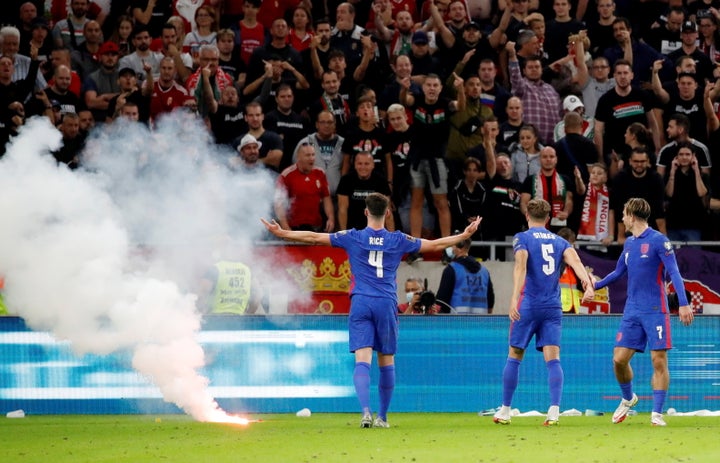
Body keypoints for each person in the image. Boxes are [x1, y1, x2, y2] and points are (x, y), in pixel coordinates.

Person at [261, 192, 481, 428]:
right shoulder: (398, 239)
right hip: (386, 303)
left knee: (362, 360)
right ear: (387, 213)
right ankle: (382, 417)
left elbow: (315, 237)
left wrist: (283, 232)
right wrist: (464, 235)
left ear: (366, 212)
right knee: (386, 360)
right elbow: (435, 244)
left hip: (361, 302)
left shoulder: (352, 237)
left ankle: (365, 412)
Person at [593, 198, 694, 427]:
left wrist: (684, 303)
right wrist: (594, 286)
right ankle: (628, 398)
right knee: (618, 360)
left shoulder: (660, 241)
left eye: (624, 214)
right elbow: (618, 272)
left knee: (658, 360)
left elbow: (674, 273)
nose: (622, 219)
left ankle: (657, 414)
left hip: (655, 309)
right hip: (632, 310)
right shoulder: (629, 243)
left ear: (632, 215)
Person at [493, 198, 594, 427]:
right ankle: (554, 411)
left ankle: (506, 410)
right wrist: (588, 285)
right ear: (548, 218)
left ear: (527, 216)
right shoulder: (560, 241)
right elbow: (576, 262)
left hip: (529, 304)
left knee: (515, 354)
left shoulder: (523, 238)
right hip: (552, 307)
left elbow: (520, 266)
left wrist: (513, 298)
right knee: (553, 358)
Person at [436, 238, 495, 314]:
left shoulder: (451, 269)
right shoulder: (484, 272)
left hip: (456, 323)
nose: (451, 248)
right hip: (481, 323)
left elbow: (441, 300)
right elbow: (490, 301)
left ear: (460, 248)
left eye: (452, 246)